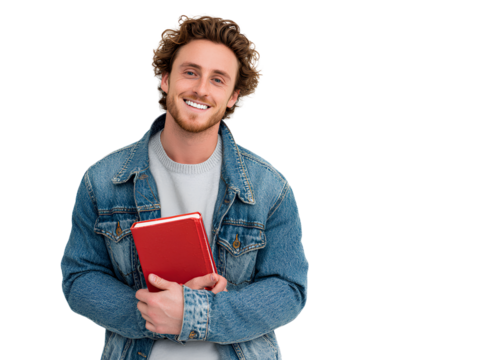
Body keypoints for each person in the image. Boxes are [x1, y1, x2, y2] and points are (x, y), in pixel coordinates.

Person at [60, 11, 308, 360]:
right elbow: (79, 279)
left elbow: (289, 291)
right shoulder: (101, 180)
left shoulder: (270, 187)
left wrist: (196, 313)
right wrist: (152, 313)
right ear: (165, 79)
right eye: (190, 72)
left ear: (234, 96)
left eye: (218, 79)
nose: (201, 89)